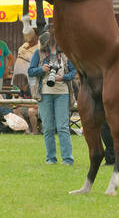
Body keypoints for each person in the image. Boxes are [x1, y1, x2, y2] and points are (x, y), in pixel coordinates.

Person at [28, 24, 76, 165]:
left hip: (62, 93)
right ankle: (51, 159)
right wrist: (42, 69)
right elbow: (30, 71)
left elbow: (73, 72)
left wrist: (63, 77)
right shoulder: (39, 53)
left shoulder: (66, 52)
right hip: (44, 93)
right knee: (48, 128)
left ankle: (67, 159)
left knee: (62, 127)